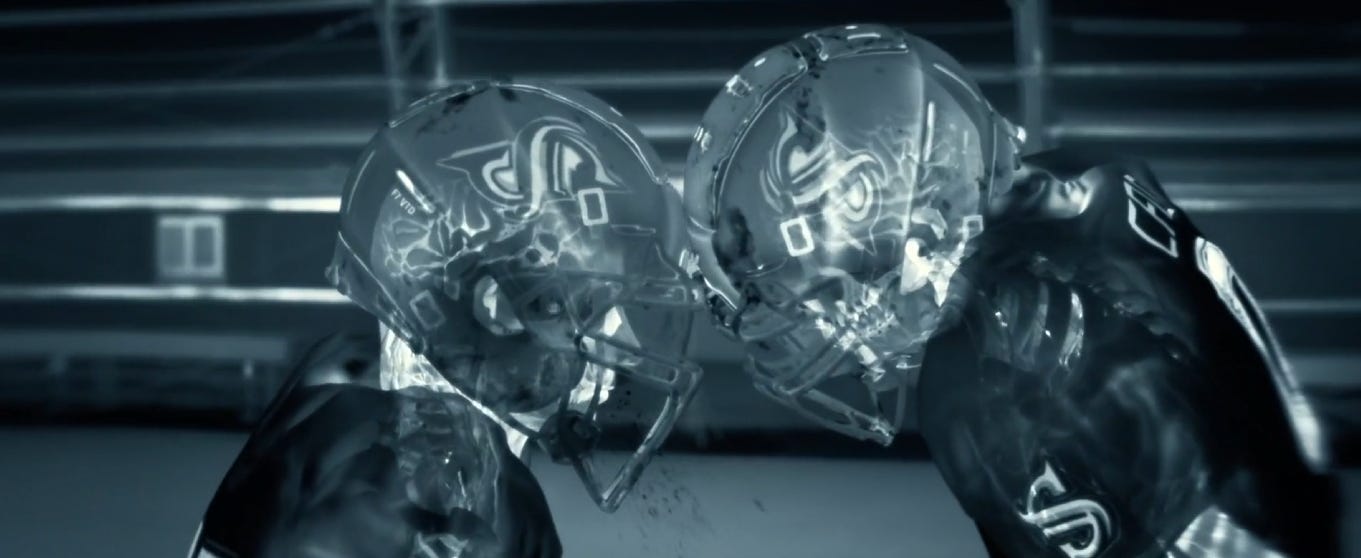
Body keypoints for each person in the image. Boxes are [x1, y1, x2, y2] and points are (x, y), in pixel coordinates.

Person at [685, 24, 1339, 557]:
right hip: (1289, 493)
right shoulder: (1085, 181)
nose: (815, 311)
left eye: (820, 278)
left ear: (889, 204)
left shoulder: (974, 386)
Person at [189, 80, 704, 558]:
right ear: (497, 311)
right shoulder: (418, 472)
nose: (614, 356)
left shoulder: (347, 403)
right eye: (597, 314)